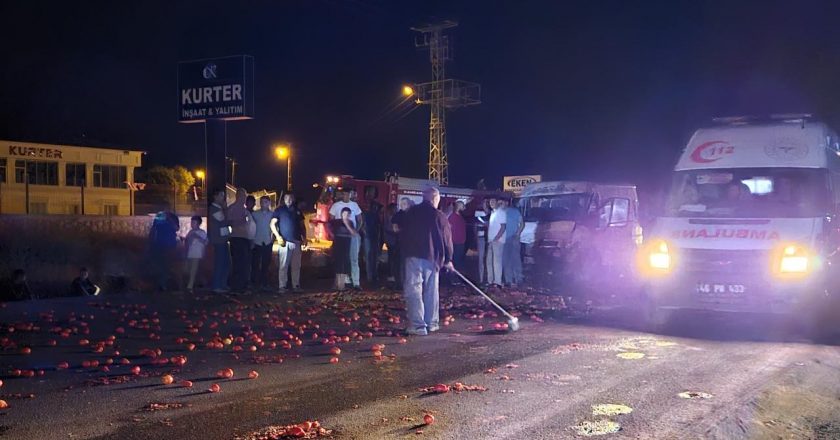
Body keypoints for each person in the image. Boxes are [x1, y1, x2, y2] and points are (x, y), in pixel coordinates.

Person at [400, 187, 453, 336]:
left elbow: (402, 233)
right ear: (435, 199)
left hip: (412, 255)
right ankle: (431, 323)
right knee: (431, 291)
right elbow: (447, 239)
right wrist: (448, 259)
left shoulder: (411, 213)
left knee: (414, 290)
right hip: (432, 258)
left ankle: (418, 326)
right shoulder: (439, 216)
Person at [273, 193, 307, 293]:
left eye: (291, 198)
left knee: (296, 266)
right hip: (284, 242)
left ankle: (296, 285)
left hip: (296, 242)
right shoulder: (279, 210)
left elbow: (302, 225)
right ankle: (282, 286)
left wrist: (304, 238)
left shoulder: (297, 211)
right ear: (284, 199)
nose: (289, 200)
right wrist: (278, 237)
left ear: (294, 199)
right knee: (283, 266)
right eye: (287, 198)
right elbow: (272, 224)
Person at [329, 190, 363, 290]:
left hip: (351, 236)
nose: (346, 195)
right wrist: (331, 233)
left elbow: (360, 219)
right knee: (340, 259)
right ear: (341, 194)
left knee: (354, 258)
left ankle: (356, 282)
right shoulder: (336, 205)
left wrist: (355, 231)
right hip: (339, 237)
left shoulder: (354, 205)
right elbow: (330, 221)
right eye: (344, 193)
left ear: (351, 195)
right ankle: (341, 283)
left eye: (348, 194)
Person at [227, 188, 252, 293]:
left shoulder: (243, 208)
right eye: (243, 196)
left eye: (245, 196)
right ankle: (237, 286)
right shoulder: (233, 208)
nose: (244, 198)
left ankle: (242, 285)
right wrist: (242, 221)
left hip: (244, 238)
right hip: (237, 238)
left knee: (243, 263)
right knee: (238, 262)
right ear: (238, 196)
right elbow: (229, 222)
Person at [208, 188, 231, 293]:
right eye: (221, 196)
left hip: (224, 239)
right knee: (220, 262)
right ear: (215, 197)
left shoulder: (219, 208)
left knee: (226, 262)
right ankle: (216, 286)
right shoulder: (214, 209)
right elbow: (223, 219)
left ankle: (223, 284)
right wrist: (225, 209)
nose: (223, 198)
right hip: (218, 240)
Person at [149, 211, 178, 291]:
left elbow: (153, 230)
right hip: (163, 245)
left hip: (163, 245)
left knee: (163, 265)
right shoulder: (165, 218)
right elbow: (154, 229)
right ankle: (162, 283)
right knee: (163, 265)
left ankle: (162, 283)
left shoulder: (168, 218)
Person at [251, 196, 275, 291]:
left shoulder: (273, 215)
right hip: (257, 241)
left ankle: (264, 283)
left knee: (266, 264)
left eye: (265, 202)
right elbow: (251, 228)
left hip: (267, 242)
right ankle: (255, 283)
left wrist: (272, 240)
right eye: (261, 202)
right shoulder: (255, 214)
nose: (263, 204)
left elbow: (275, 228)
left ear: (269, 203)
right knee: (255, 264)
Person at [330, 207, 356, 291]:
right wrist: (330, 233)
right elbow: (327, 224)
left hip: (346, 243)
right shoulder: (337, 221)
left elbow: (353, 233)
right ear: (341, 214)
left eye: (348, 214)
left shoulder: (350, 222)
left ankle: (342, 285)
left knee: (344, 263)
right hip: (338, 243)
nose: (346, 215)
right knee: (338, 263)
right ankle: (337, 284)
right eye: (344, 214)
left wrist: (346, 223)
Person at [390, 197, 414, 287]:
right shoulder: (398, 215)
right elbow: (395, 229)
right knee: (400, 263)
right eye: (401, 204)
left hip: (411, 243)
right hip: (400, 242)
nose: (402, 205)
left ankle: (408, 282)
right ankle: (400, 282)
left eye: (404, 203)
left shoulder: (413, 214)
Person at [501, 199, 525, 287]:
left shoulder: (514, 211)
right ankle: (509, 279)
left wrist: (518, 233)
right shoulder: (500, 213)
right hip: (504, 239)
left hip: (513, 238)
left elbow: (522, 223)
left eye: (502, 202)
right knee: (506, 260)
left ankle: (518, 278)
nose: (501, 204)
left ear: (507, 202)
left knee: (515, 258)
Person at [183, 215, 208, 293]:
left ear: (198, 223)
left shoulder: (202, 232)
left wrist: (197, 237)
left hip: (197, 254)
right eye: (191, 222)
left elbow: (206, 242)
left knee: (193, 270)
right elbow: (187, 241)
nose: (192, 224)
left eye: (194, 222)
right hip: (189, 254)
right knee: (187, 270)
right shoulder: (190, 232)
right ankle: (200, 282)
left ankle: (189, 286)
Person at [486, 198, 507, 288]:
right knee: (489, 261)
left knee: (497, 261)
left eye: (493, 202)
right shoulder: (493, 213)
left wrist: (497, 238)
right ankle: (490, 280)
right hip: (491, 240)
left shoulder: (501, 212)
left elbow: (503, 227)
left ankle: (497, 282)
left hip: (497, 241)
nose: (491, 203)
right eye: (490, 202)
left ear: (497, 202)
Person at [362, 197, 383, 284]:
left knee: (371, 257)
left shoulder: (371, 215)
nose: (376, 208)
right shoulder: (369, 215)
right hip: (370, 237)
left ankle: (371, 276)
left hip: (372, 237)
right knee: (371, 257)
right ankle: (371, 276)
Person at [448, 200, 467, 285]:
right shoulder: (453, 217)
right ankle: (453, 278)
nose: (464, 208)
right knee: (455, 261)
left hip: (460, 241)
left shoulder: (460, 216)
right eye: (463, 206)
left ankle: (456, 278)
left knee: (458, 261)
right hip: (455, 242)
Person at [475, 199, 491, 284]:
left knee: (488, 259)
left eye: (487, 202)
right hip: (481, 237)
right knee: (481, 259)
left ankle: (488, 278)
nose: (486, 204)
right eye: (484, 202)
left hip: (490, 238)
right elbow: (477, 224)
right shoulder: (479, 212)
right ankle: (481, 278)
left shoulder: (491, 213)